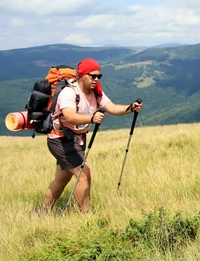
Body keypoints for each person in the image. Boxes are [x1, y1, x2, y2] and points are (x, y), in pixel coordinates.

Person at [42, 58, 142, 213]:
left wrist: (130, 108)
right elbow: (69, 116)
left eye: (99, 76)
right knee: (84, 175)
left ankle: (43, 213)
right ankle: (85, 216)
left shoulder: (96, 93)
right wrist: (91, 118)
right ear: (82, 75)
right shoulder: (69, 92)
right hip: (61, 140)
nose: (96, 79)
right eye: (93, 76)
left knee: (62, 179)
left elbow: (113, 108)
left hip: (76, 140)